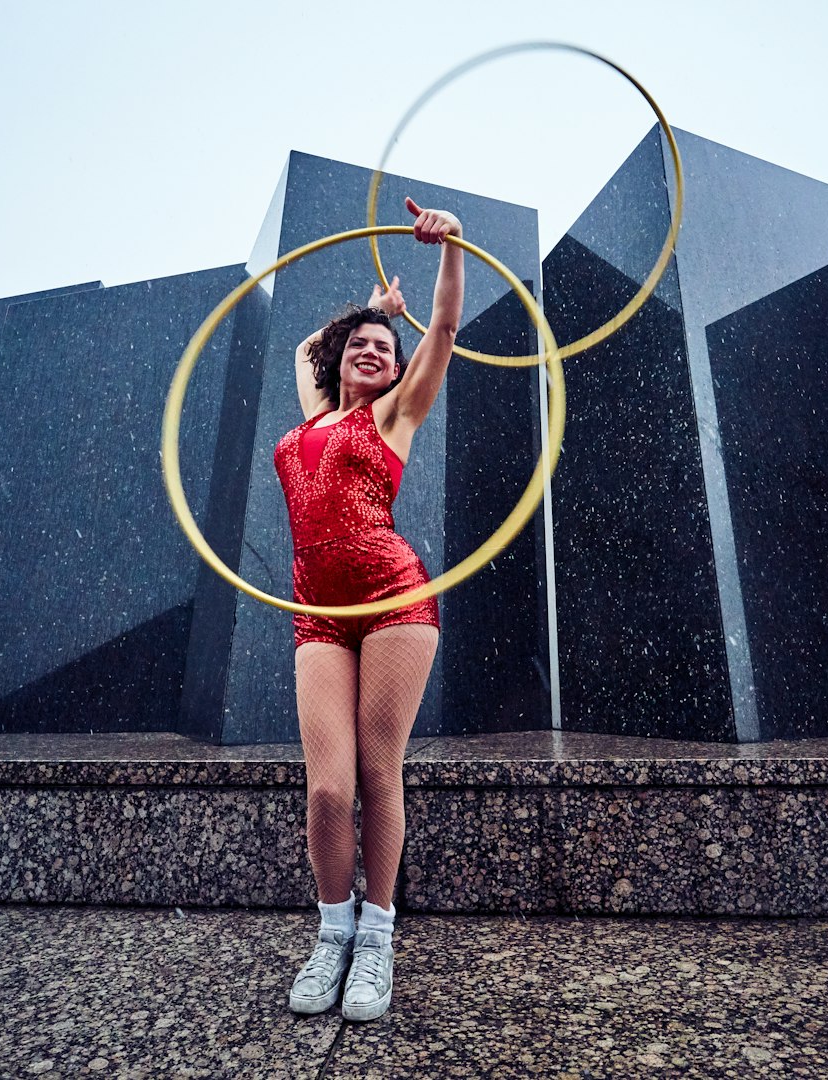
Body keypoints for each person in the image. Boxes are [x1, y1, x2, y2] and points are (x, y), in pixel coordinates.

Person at [276, 196, 463, 1022]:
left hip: (393, 599)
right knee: (326, 791)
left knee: (378, 774)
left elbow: (446, 333)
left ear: (393, 369)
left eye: (384, 347)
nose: (370, 350)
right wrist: (373, 306)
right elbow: (304, 344)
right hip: (316, 610)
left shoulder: (397, 414)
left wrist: (449, 249)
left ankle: (377, 939)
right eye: (360, 344)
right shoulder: (312, 413)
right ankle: (331, 936)